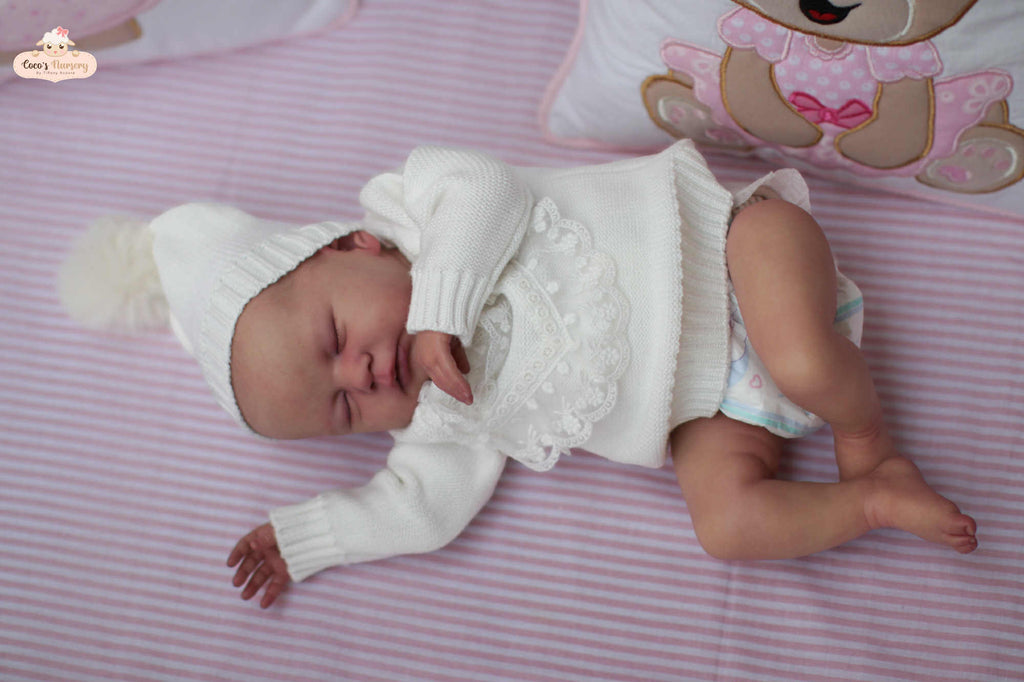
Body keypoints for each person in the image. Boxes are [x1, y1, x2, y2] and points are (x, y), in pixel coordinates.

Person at [60, 140, 978, 610]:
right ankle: (870, 501)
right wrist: (310, 538)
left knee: (809, 360)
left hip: (734, 249)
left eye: (336, 337)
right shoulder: (438, 418)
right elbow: (423, 508)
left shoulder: (418, 208)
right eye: (343, 408)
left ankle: (866, 434)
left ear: (354, 245)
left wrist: (441, 311)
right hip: (716, 413)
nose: (364, 373)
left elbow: (489, 186)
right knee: (726, 527)